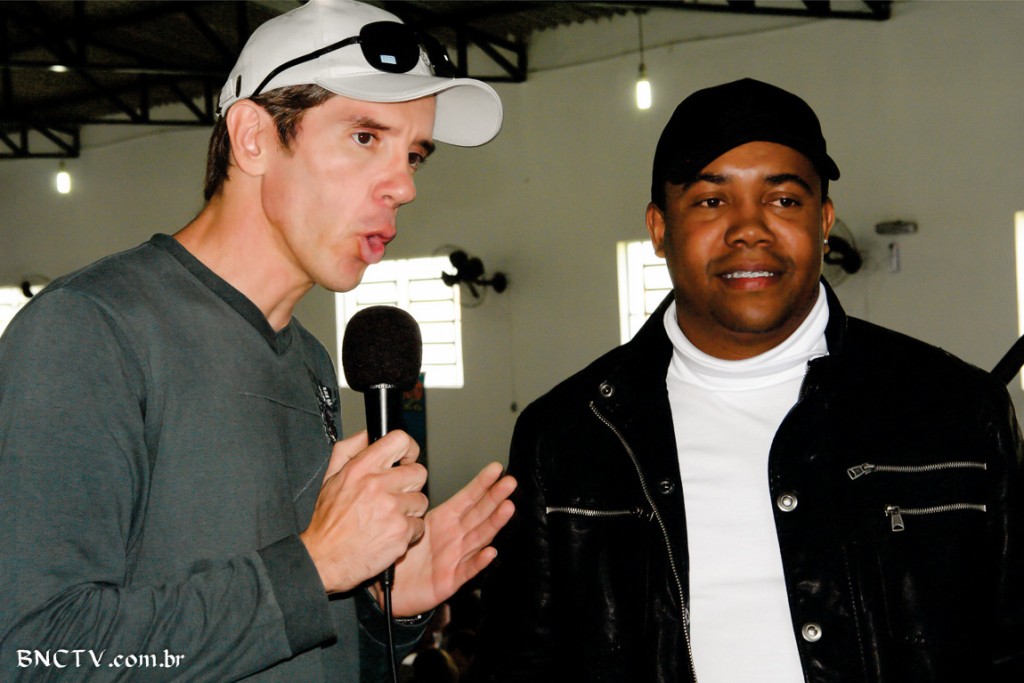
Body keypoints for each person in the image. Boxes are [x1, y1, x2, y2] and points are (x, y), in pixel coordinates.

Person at [0, 1, 516, 681]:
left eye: (414, 155)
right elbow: (37, 654)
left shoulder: (310, 361)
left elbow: (290, 644)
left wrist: (380, 606)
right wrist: (313, 568)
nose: (403, 186)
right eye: (366, 136)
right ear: (253, 137)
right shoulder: (91, 330)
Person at [478, 78, 1024, 682]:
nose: (749, 229)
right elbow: (522, 664)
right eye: (711, 201)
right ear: (659, 229)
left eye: (784, 200)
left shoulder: (957, 410)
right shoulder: (570, 437)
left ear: (825, 222)